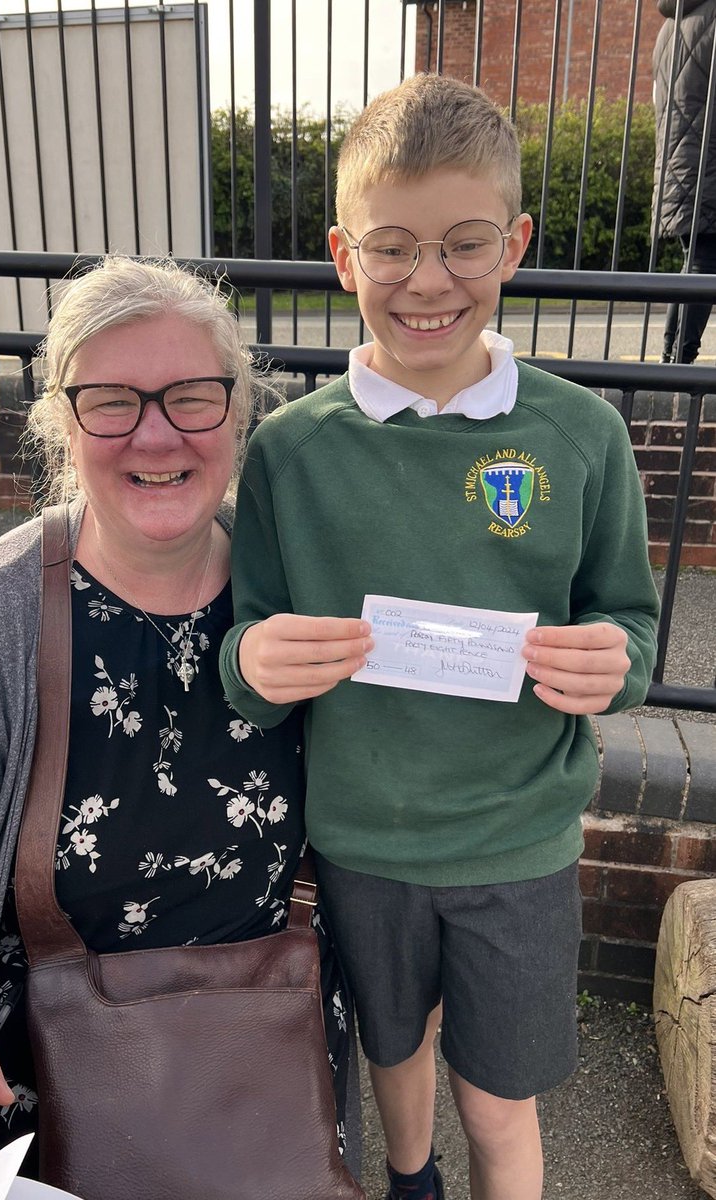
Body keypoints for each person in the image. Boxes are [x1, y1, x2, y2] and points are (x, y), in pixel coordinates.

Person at [0, 256, 356, 1181]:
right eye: (111, 400)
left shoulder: (311, 602)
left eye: (192, 395)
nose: (155, 436)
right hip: (57, 1110)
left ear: (239, 412)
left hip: (278, 1083)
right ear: (63, 422)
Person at [219, 73, 660, 1200]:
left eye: (464, 244)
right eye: (393, 247)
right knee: (391, 1050)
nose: (428, 281)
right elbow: (250, 639)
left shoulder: (583, 436)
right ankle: (411, 1183)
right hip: (363, 833)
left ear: (513, 244)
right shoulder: (289, 451)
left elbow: (629, 620)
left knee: (500, 1095)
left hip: (518, 841)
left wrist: (613, 661)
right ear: (341, 253)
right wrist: (250, 664)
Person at [652, 0, 716, 363]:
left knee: (694, 261)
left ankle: (671, 359)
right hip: (708, 164)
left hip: (679, 164)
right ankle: (680, 362)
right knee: (702, 262)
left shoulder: (669, 28)